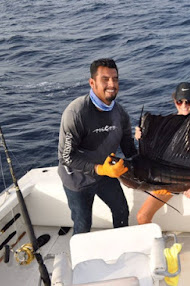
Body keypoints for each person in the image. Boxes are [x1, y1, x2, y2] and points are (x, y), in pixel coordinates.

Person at [135, 82, 190, 250]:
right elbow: (147, 157)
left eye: (189, 102)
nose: (184, 106)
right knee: (142, 216)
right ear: (174, 101)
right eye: (180, 102)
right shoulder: (163, 127)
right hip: (168, 181)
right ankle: (156, 248)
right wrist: (139, 138)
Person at [57, 58, 137, 235]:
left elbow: (130, 149)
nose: (112, 84)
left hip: (105, 174)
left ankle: (122, 248)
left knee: (122, 210)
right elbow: (66, 157)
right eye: (105, 79)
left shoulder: (121, 114)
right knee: (83, 224)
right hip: (77, 180)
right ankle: (80, 261)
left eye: (115, 79)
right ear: (92, 83)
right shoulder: (76, 113)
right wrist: (101, 169)